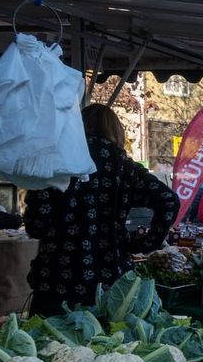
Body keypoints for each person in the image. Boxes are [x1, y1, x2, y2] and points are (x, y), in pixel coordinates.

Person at [25, 104, 178, 316]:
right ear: (116, 131)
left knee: (47, 343)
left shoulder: (56, 161)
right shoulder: (124, 166)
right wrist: (142, 244)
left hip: (57, 278)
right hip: (109, 283)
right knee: (104, 344)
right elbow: (168, 199)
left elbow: (35, 224)